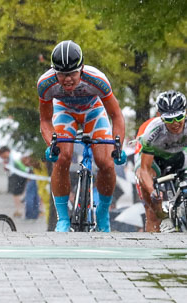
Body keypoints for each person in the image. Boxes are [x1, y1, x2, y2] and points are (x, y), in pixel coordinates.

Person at [38, 40, 126, 232]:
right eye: (62, 74)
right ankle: (63, 219)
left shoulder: (97, 79)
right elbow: (45, 120)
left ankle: (102, 212)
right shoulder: (45, 83)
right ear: (55, 72)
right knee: (63, 157)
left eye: (72, 74)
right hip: (64, 111)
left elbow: (116, 115)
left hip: (93, 111)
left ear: (82, 69)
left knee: (105, 162)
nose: (67, 79)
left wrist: (118, 145)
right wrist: (51, 143)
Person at [134, 90, 187, 232]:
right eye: (169, 119)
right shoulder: (152, 130)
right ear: (160, 117)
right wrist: (152, 192)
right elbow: (144, 168)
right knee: (153, 212)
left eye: (179, 117)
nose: (175, 123)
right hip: (154, 161)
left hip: (179, 157)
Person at [0, 146, 27, 218]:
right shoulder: (11, 156)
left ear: (6, 152)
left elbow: (21, 167)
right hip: (18, 175)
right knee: (18, 193)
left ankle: (19, 210)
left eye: (2, 155)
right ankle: (19, 209)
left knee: (16, 193)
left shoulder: (14, 156)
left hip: (18, 175)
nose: (2, 157)